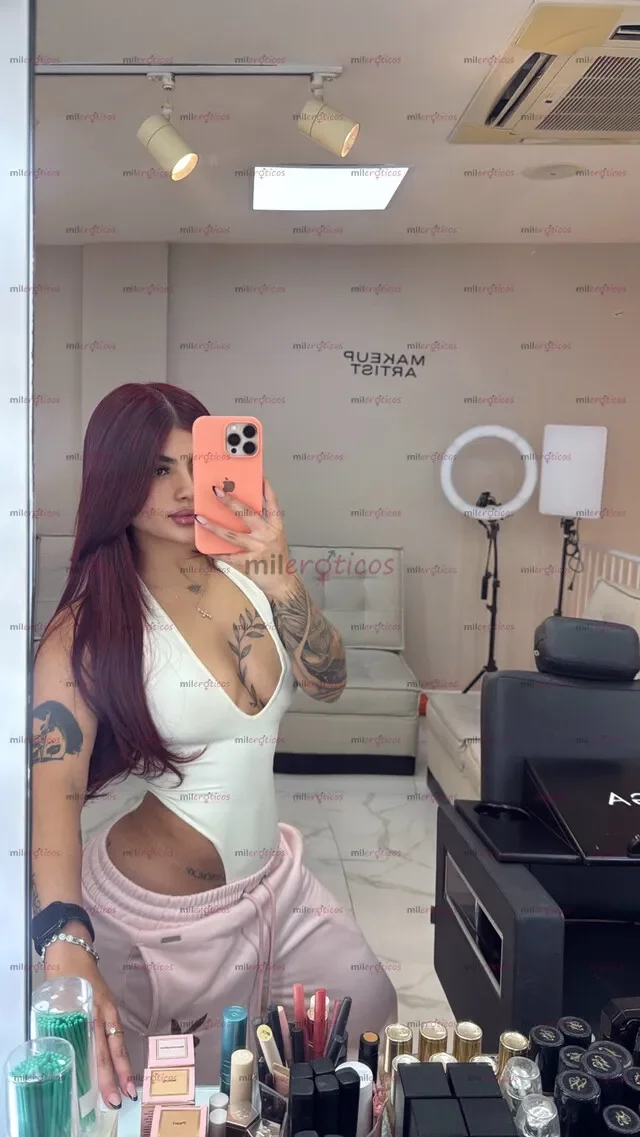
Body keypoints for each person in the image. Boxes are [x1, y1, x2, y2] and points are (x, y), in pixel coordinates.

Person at [31, 382, 397, 1110]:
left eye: (197, 463)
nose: (185, 487)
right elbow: (56, 792)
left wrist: (281, 576)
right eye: (158, 469)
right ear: (115, 480)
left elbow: (329, 680)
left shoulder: (249, 576)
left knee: (370, 1007)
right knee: (191, 1098)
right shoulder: (88, 628)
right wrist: (64, 937)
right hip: (162, 920)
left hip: (276, 883)